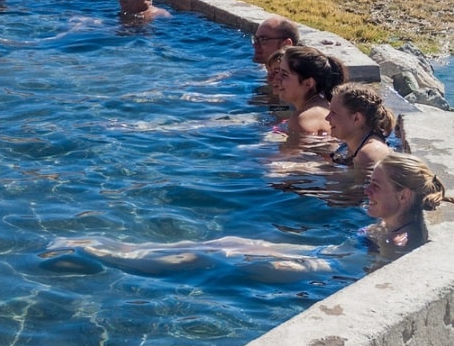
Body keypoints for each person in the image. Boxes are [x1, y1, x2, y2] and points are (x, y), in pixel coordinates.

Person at [43, 154, 452, 280]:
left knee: (212, 258)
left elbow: (378, 276)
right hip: (323, 252)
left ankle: (97, 254)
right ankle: (122, 247)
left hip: (320, 267)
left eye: (375, 185)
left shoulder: (401, 241)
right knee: (228, 243)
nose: (367, 189)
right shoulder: (392, 221)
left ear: (403, 195)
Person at [362, 153, 453, 262]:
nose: (366, 191)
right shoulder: (388, 224)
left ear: (403, 196)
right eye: (370, 182)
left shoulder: (394, 244)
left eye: (376, 186)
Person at [274, 46, 347, 137]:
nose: (276, 78)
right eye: (279, 71)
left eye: (284, 74)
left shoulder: (301, 120)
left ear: (308, 83)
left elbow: (292, 151)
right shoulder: (326, 107)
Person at [327, 82, 394, 170]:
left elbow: (364, 184)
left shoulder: (368, 154)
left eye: (333, 113)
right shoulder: (351, 145)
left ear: (356, 118)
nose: (327, 118)